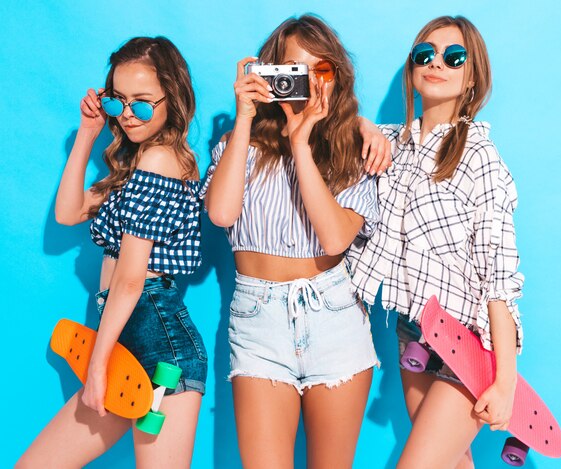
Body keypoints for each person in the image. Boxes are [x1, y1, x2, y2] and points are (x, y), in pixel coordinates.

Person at [203, 15, 387, 469]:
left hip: (334, 317)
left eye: (318, 70)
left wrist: (302, 144)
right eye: (291, 69)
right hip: (257, 321)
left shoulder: (353, 150)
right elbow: (221, 214)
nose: (305, 82)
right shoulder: (240, 145)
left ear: (335, 78)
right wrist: (244, 120)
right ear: (268, 76)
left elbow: (335, 237)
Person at [18, 36, 207, 468]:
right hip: (126, 340)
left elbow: (130, 278)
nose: (128, 115)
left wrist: (97, 366)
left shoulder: (159, 160)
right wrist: (87, 133)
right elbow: (68, 214)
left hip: (162, 354)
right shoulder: (135, 164)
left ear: (171, 99)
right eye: (118, 102)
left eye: (142, 104)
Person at [350, 16, 524, 468]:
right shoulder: (388, 146)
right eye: (424, 55)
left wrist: (505, 381)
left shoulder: (481, 159)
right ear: (412, 69)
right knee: (453, 462)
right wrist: (364, 127)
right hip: (413, 333)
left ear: (472, 78)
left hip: (468, 345)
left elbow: (498, 279)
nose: (436, 64)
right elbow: (332, 121)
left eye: (454, 57)